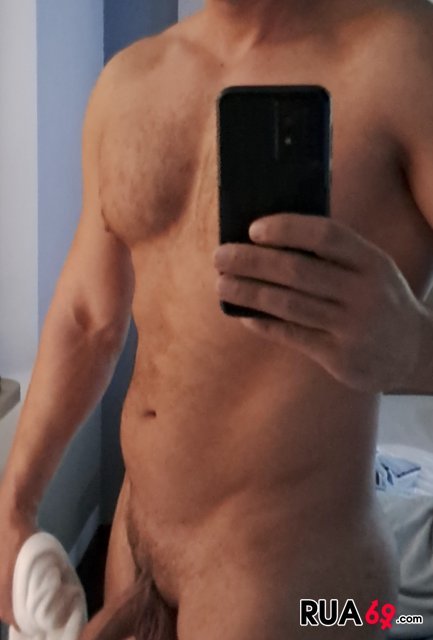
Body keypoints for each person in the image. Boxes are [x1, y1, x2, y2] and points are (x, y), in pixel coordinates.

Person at [1, 0, 433, 637]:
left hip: (300, 592)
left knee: (391, 618)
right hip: (132, 556)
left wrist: (415, 348)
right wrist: (14, 506)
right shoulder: (127, 81)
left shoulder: (405, 60)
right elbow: (89, 317)